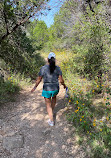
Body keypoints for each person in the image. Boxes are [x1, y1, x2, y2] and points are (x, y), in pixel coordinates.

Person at [31, 52, 67, 126]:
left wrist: (34, 87)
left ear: (47, 59)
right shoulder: (58, 68)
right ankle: (51, 113)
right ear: (54, 60)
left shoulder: (43, 68)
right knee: (53, 98)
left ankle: (51, 120)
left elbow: (39, 79)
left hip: (47, 89)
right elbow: (61, 80)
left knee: (48, 105)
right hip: (55, 88)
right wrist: (64, 86)